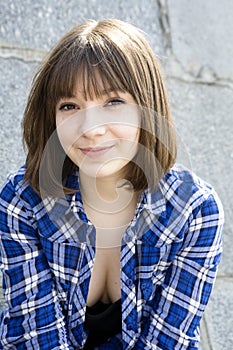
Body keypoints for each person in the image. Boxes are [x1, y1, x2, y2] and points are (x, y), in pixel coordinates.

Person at [0, 18, 224, 350]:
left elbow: (168, 340)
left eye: (113, 102)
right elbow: (39, 334)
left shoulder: (194, 211)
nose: (90, 129)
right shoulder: (22, 199)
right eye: (70, 106)